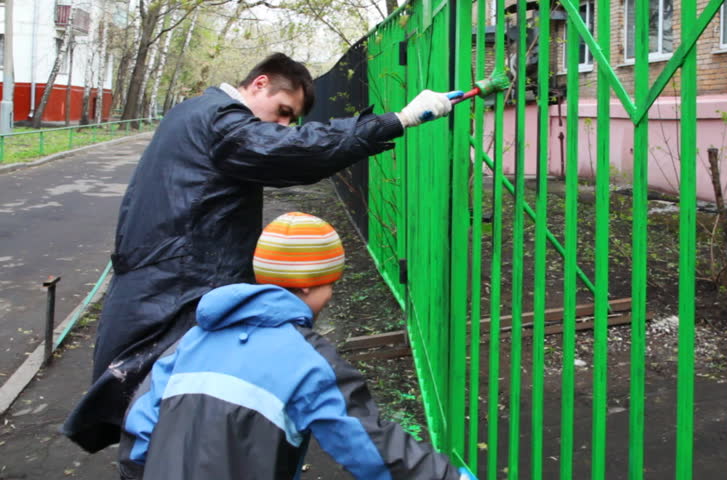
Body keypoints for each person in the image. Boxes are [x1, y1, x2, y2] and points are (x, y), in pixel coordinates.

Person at [63, 52, 461, 452]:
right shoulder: (221, 119)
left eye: (291, 119)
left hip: (165, 279)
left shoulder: (194, 112)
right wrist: (399, 120)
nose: (283, 124)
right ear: (259, 84)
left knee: (168, 406)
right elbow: (291, 150)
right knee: (170, 413)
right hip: (179, 287)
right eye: (283, 111)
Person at [118, 212, 476, 480]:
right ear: (306, 285)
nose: (331, 294)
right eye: (329, 283)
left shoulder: (193, 339)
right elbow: (370, 445)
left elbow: (140, 429)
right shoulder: (308, 361)